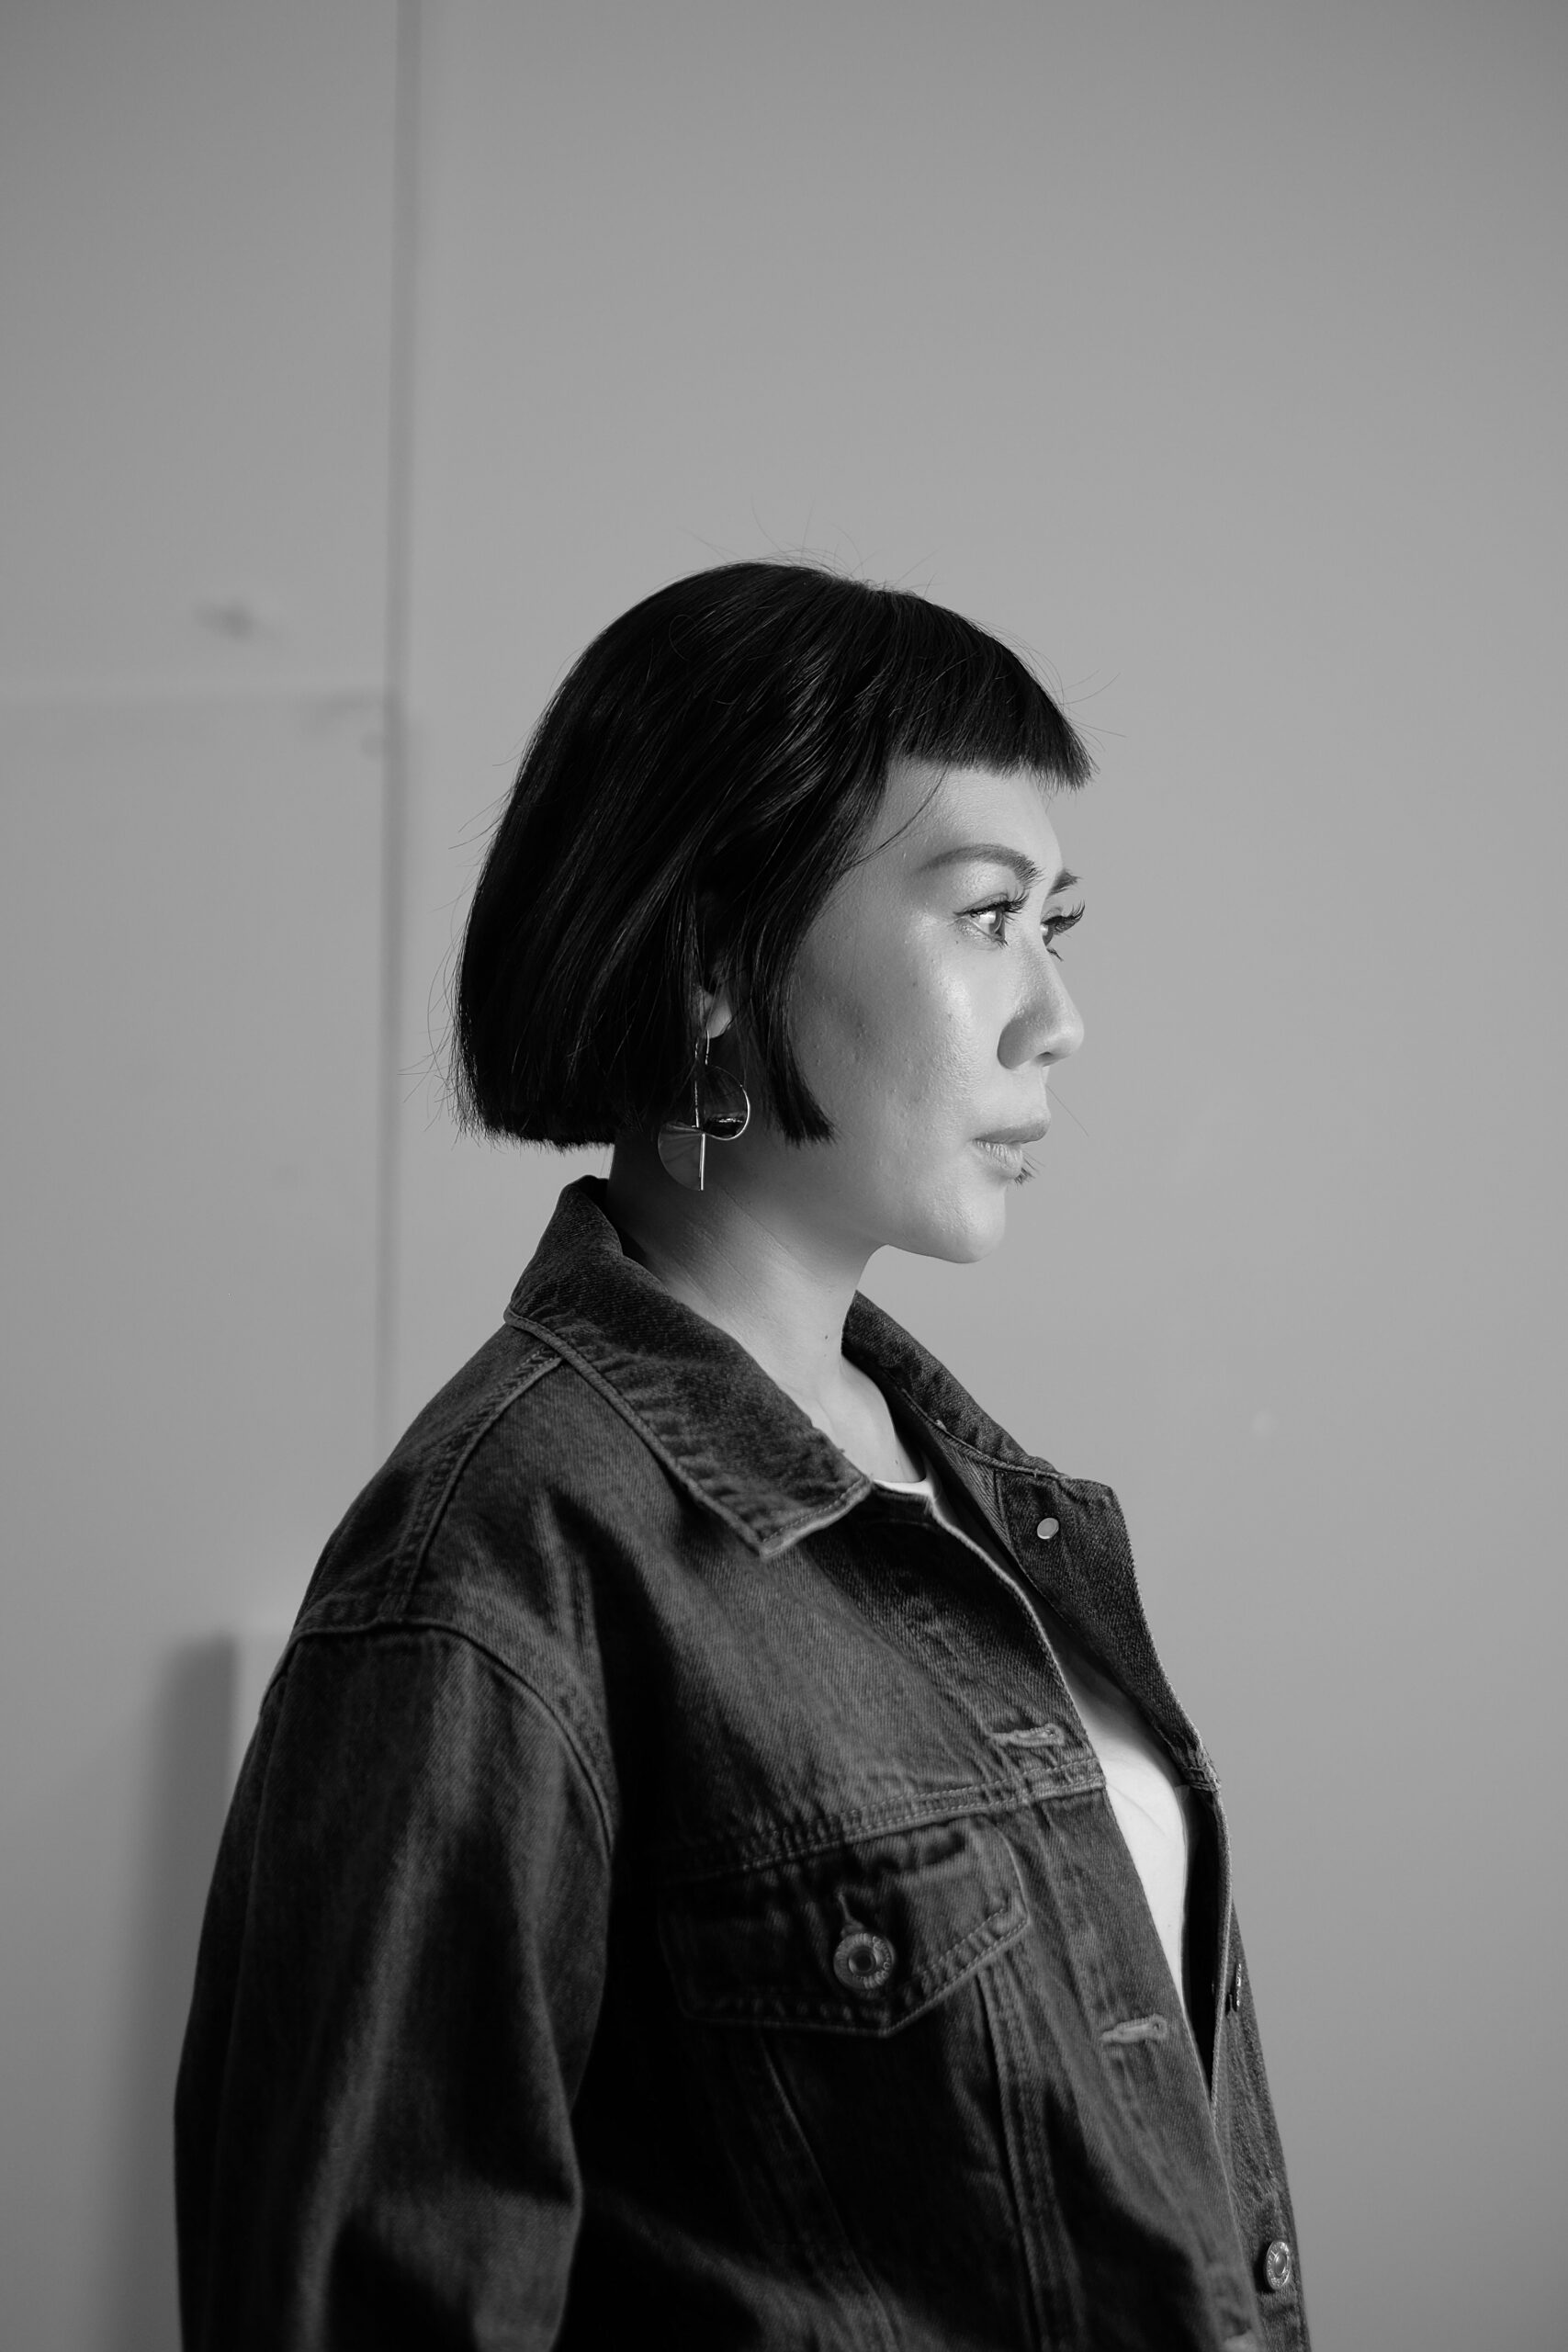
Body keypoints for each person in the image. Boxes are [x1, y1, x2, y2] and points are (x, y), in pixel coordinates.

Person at [175, 560, 1309, 2350]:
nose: (1055, 1014)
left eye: (1056, 923)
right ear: (716, 959)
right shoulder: (497, 1563)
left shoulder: (976, 1502)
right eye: (983, 915)